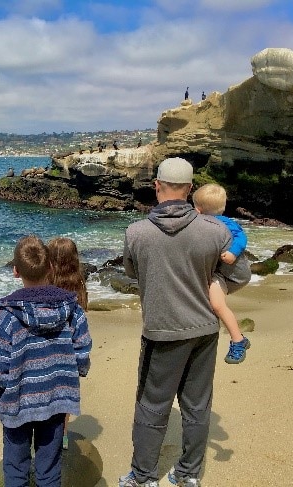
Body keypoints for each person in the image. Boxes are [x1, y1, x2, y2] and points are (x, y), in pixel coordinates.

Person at [119, 158, 251, 487]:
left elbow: (133, 274)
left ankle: (145, 477)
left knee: (152, 406)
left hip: (161, 332)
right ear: (190, 190)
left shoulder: (136, 232)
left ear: (157, 186)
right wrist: (213, 288)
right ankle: (189, 474)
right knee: (197, 405)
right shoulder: (216, 230)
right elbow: (242, 274)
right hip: (205, 330)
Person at [0, 235, 92, 487]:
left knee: (16, 469)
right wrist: (69, 376)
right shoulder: (72, 310)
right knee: (49, 470)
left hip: (17, 403)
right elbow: (82, 354)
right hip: (56, 400)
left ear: (15, 271)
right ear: (51, 268)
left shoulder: (6, 317)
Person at [192, 183, 251, 364]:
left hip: (231, 274)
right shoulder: (210, 222)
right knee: (209, 299)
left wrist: (233, 252)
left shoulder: (225, 224)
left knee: (217, 305)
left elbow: (242, 237)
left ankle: (238, 340)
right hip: (222, 272)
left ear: (198, 210)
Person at [47, 237, 89, 451]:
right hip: (69, 357)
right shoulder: (78, 286)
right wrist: (82, 365)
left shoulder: (45, 287)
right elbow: (80, 331)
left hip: (45, 354)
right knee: (64, 402)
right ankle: (62, 439)